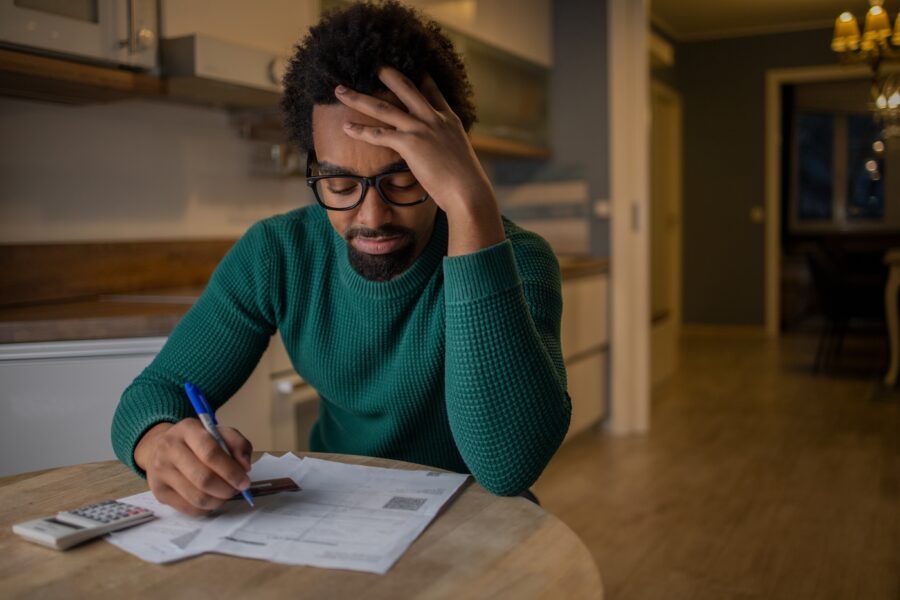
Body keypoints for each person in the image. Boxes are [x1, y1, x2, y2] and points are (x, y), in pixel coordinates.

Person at [111, 0, 570, 517]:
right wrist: (161, 444)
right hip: (341, 515)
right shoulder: (278, 253)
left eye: (404, 180)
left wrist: (472, 206)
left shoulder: (517, 259)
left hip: (477, 521)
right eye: (339, 184)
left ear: (446, 163)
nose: (370, 216)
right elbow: (156, 392)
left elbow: (508, 467)